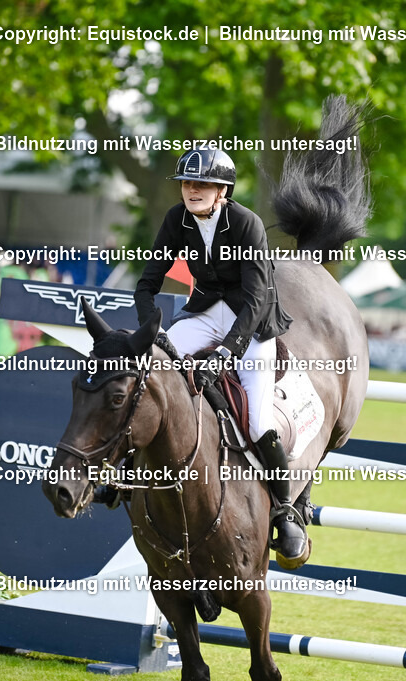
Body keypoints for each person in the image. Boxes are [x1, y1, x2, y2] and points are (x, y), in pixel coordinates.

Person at [134, 149, 307, 562]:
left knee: (259, 421)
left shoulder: (245, 223)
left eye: (202, 184)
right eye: (187, 183)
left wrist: (226, 353)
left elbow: (254, 298)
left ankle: (285, 512)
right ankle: (124, 472)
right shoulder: (177, 219)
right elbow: (147, 284)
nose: (192, 190)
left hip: (253, 321)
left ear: (222, 191)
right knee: (151, 371)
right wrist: (151, 332)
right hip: (207, 312)